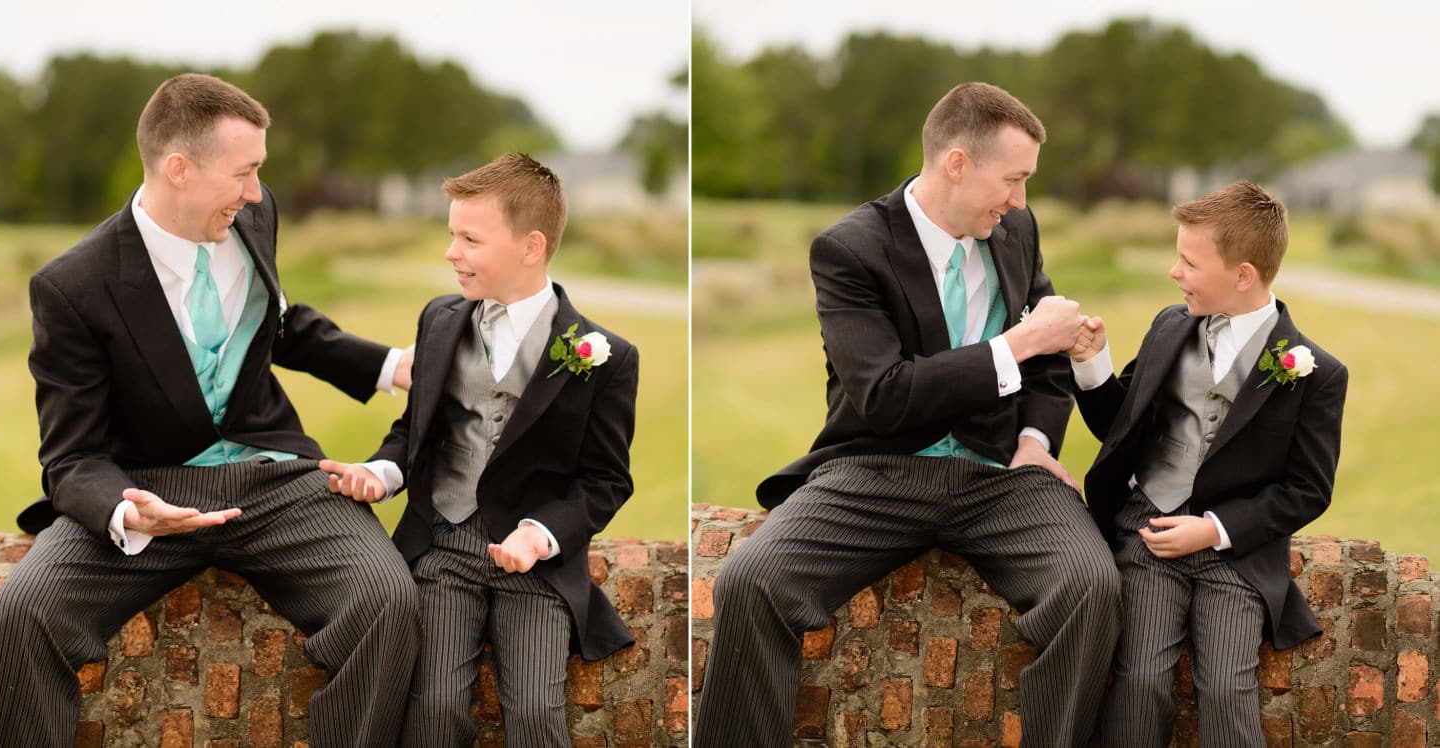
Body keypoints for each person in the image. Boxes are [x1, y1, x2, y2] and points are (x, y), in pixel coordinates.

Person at [0, 73, 420, 746]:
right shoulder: (73, 287)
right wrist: (128, 510)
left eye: (258, 173)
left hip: (274, 479)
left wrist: (389, 365)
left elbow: (274, 320)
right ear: (178, 169)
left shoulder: (252, 213)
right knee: (22, 614)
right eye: (243, 172)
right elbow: (70, 458)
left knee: (387, 602)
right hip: (147, 484)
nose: (256, 191)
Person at [694, 82, 1120, 747]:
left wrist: (1036, 441)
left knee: (1092, 588)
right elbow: (885, 394)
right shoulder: (849, 249)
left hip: (1002, 479)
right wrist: (1018, 342)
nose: (1020, 200)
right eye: (1012, 179)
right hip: (877, 469)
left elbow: (1046, 364)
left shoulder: (1016, 231)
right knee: (750, 581)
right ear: (957, 163)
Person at [319, 153, 639, 747]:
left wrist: (540, 534)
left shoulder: (605, 355)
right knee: (436, 707)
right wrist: (381, 472)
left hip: (535, 566)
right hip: (443, 548)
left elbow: (606, 481)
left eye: (469, 238)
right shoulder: (439, 320)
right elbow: (414, 429)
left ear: (531, 246)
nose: (451, 252)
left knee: (537, 716)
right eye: (450, 235)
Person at [1070, 180, 1346, 746]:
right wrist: (1091, 363)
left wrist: (1216, 530)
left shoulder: (1315, 371)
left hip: (1235, 555)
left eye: (1189, 262)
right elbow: (1120, 428)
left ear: (1243, 274)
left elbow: (1308, 490)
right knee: (1141, 678)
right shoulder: (1171, 327)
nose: (1175, 272)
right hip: (1150, 532)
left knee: (1224, 686)